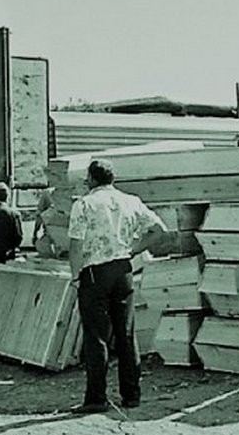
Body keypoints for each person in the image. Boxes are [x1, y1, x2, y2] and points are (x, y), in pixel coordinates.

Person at [68, 159, 168, 414]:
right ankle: (131, 394)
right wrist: (134, 249)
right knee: (126, 333)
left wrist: (76, 276)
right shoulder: (131, 201)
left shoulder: (84, 204)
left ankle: (96, 398)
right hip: (123, 268)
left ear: (91, 179)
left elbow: (76, 245)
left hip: (94, 270)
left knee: (96, 336)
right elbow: (159, 230)